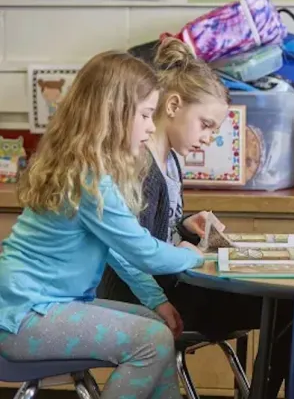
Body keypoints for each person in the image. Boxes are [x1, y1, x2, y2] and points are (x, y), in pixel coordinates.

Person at [0, 51, 204, 399]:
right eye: (144, 115)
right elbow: (144, 253)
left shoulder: (85, 171)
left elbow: (118, 251)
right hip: (24, 319)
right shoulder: (88, 180)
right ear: (113, 114)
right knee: (152, 340)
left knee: (157, 327)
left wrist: (156, 301)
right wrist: (194, 255)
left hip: (40, 308)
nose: (151, 126)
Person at [96, 37, 294, 397]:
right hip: (143, 295)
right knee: (288, 305)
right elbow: (129, 247)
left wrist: (184, 223)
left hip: (167, 285)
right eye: (206, 125)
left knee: (289, 305)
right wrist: (162, 295)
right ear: (172, 105)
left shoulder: (169, 160)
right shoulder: (142, 165)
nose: (210, 138)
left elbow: (157, 228)